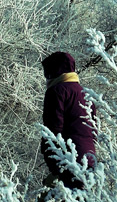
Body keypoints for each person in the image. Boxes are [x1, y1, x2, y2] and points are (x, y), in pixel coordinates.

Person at [41, 50, 97, 189]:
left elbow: (53, 131)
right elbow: (94, 130)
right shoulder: (85, 94)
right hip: (89, 158)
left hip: (68, 159)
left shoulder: (57, 91)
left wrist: (54, 164)